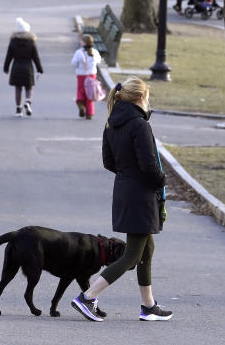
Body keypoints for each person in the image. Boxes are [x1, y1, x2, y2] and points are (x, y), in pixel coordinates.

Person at [70, 77, 173, 323]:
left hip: (125, 190)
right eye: (147, 97)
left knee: (146, 250)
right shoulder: (139, 124)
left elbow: (109, 162)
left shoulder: (111, 123)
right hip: (141, 194)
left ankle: (148, 306)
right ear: (140, 97)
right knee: (132, 255)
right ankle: (88, 297)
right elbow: (150, 166)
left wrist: (127, 174)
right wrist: (162, 180)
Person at [3, 17, 43, 117]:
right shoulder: (31, 42)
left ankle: (18, 110)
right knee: (29, 87)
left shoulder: (13, 42)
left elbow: (9, 56)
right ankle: (28, 101)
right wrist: (39, 69)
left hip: (16, 67)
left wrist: (6, 68)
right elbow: (35, 57)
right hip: (28, 67)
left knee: (18, 88)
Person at [71, 34, 102, 120]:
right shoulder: (95, 52)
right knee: (90, 93)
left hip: (81, 75)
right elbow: (98, 61)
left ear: (84, 43)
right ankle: (89, 113)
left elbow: (73, 63)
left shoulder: (78, 53)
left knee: (80, 90)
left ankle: (81, 105)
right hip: (92, 75)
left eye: (81, 41)